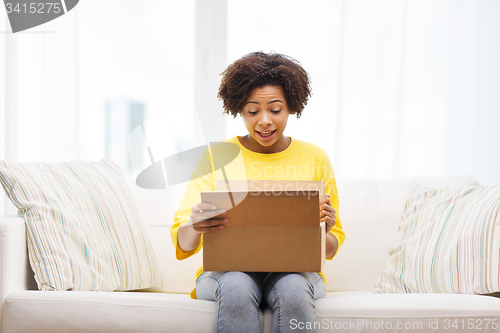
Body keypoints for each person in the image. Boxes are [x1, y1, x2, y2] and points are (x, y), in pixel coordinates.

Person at [170, 51, 345, 333]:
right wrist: (196, 225)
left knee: (294, 288)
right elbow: (185, 242)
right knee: (237, 286)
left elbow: (332, 245)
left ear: (291, 108)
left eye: (275, 110)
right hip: (225, 275)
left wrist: (323, 229)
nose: (264, 120)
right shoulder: (216, 156)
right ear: (239, 109)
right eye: (253, 111)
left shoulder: (315, 158)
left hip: (294, 274)